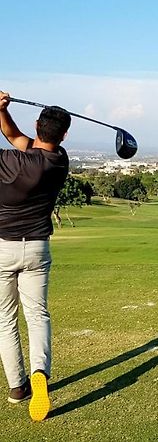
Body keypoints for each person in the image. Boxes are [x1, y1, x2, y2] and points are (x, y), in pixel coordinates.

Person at [0, 91, 70, 421]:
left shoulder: (9, 162)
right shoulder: (59, 160)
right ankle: (40, 372)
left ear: (37, 125)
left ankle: (18, 387)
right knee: (37, 314)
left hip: (3, 248)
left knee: (4, 320)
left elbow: (13, 140)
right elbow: (15, 137)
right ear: (64, 135)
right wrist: (2, 111)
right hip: (38, 248)